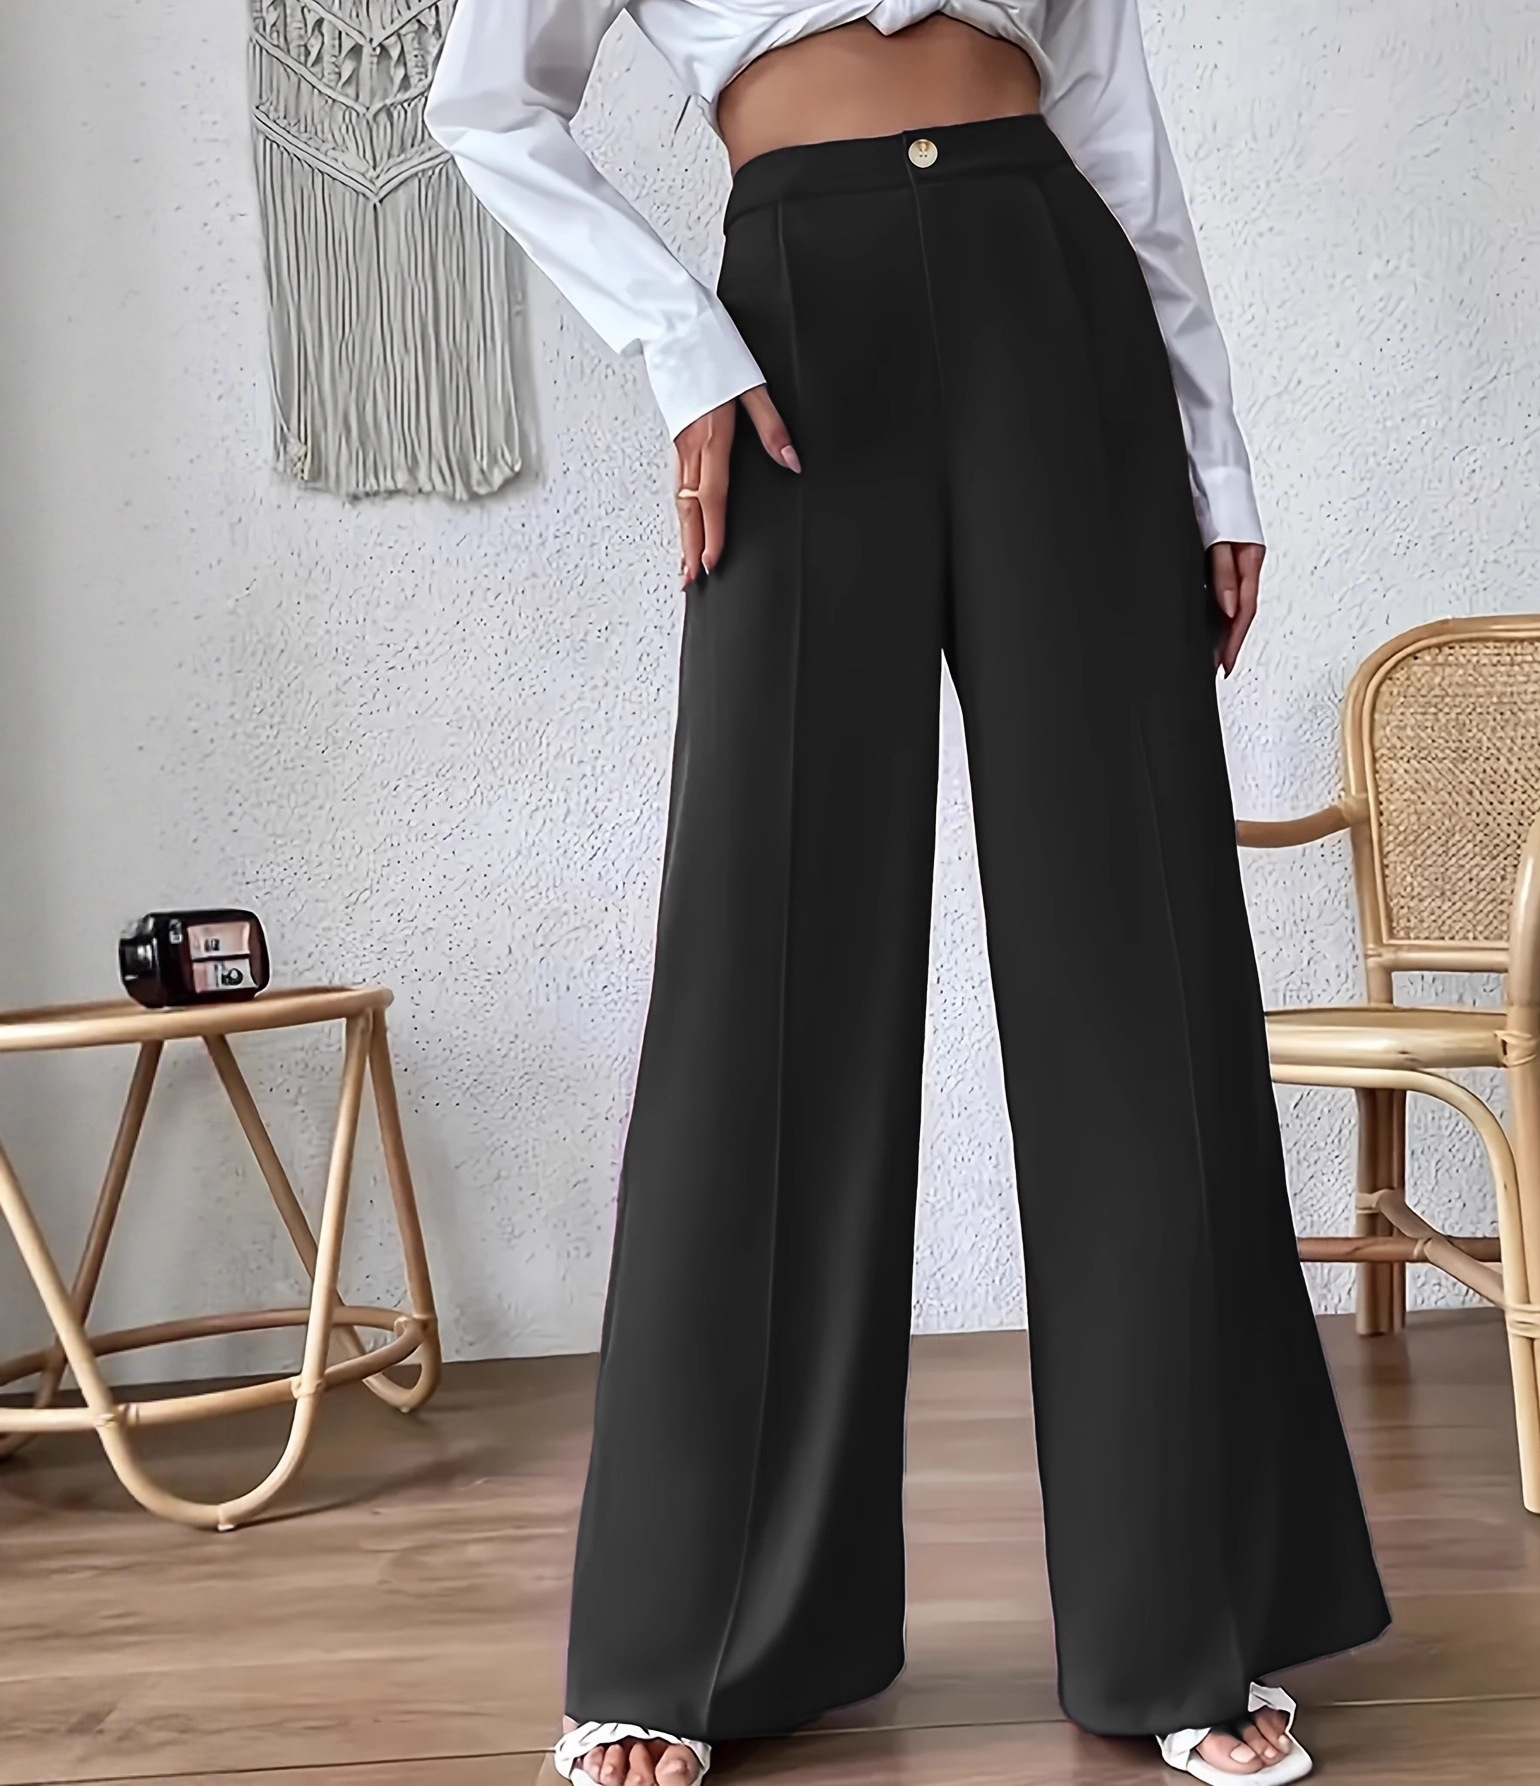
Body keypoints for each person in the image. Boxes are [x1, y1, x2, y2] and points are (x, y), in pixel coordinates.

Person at [425, 4, 1391, 1782]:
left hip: (1053, 291)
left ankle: (1186, 1616)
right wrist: (679, 343)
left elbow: (1112, 124)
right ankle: (690, 1639)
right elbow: (487, 101)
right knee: (763, 969)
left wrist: (1216, 454)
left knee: (1136, 958)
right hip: (791, 332)